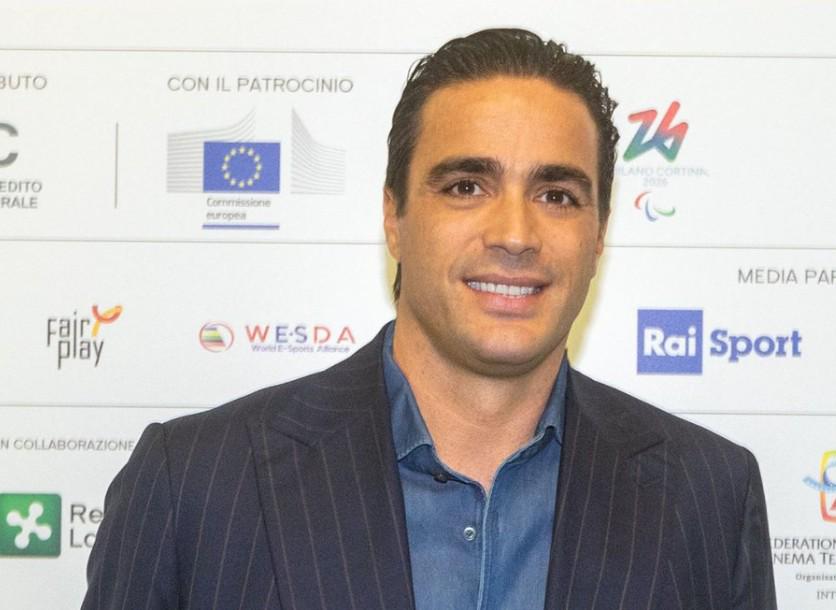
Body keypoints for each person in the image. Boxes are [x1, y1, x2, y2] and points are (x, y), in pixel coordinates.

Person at [82, 29, 776, 609]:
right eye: (467, 186)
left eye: (557, 195)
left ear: (598, 234)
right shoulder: (194, 483)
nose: (515, 234)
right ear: (394, 217)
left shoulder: (708, 495)